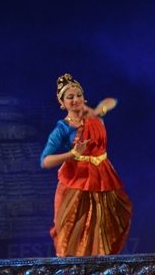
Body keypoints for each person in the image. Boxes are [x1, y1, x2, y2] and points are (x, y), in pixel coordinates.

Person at [40, 73, 132, 256]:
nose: (75, 100)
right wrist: (72, 154)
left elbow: (112, 101)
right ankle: (74, 271)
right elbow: (45, 161)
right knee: (70, 233)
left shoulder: (95, 118)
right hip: (76, 184)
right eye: (70, 97)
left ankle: (100, 267)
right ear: (62, 103)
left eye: (78, 95)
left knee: (103, 226)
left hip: (102, 179)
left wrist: (96, 111)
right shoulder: (63, 128)